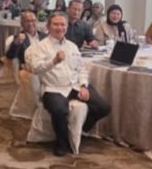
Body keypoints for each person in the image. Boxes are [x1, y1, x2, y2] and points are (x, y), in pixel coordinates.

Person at [25, 12, 111, 157]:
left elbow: (81, 68)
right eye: (55, 24)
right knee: (60, 110)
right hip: (53, 88)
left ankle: (80, 130)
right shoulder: (40, 47)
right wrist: (54, 61)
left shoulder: (72, 46)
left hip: (74, 86)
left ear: (66, 26)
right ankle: (62, 142)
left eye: (62, 24)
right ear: (48, 26)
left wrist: (83, 86)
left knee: (104, 107)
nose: (60, 27)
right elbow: (35, 69)